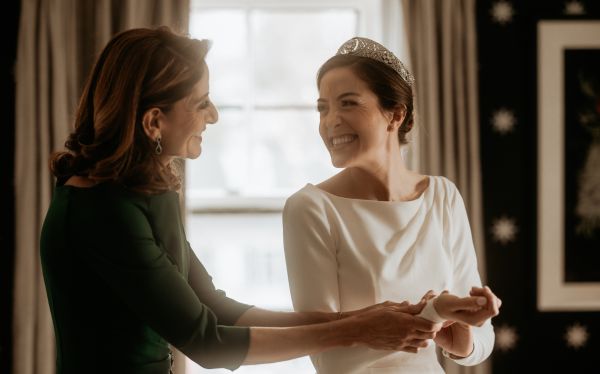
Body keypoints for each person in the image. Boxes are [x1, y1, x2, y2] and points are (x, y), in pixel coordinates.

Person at [40, 27, 477, 374]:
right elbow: (208, 342)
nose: (213, 116)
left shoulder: (143, 193)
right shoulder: (102, 210)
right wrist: (356, 330)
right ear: (155, 121)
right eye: (203, 103)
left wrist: (364, 319)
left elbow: (218, 307)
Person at [283, 37, 501, 374]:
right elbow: (324, 354)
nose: (330, 121)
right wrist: (433, 314)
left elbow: (482, 341)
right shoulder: (311, 209)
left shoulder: (443, 197)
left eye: (348, 103)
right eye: (323, 108)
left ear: (395, 114)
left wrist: (464, 341)